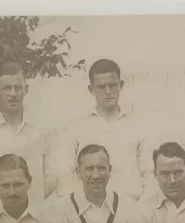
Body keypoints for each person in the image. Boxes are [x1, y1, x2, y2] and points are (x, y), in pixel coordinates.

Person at [0, 61, 65, 212]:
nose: (13, 94)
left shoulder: (43, 131)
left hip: (34, 218)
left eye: (18, 88)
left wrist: (34, 204)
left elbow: (52, 177)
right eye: (6, 88)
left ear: (26, 89)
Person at [54, 59, 146, 201]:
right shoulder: (76, 128)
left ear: (120, 85)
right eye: (101, 87)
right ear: (91, 90)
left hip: (131, 206)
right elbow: (65, 175)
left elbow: (149, 173)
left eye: (112, 85)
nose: (108, 92)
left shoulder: (137, 126)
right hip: (89, 211)